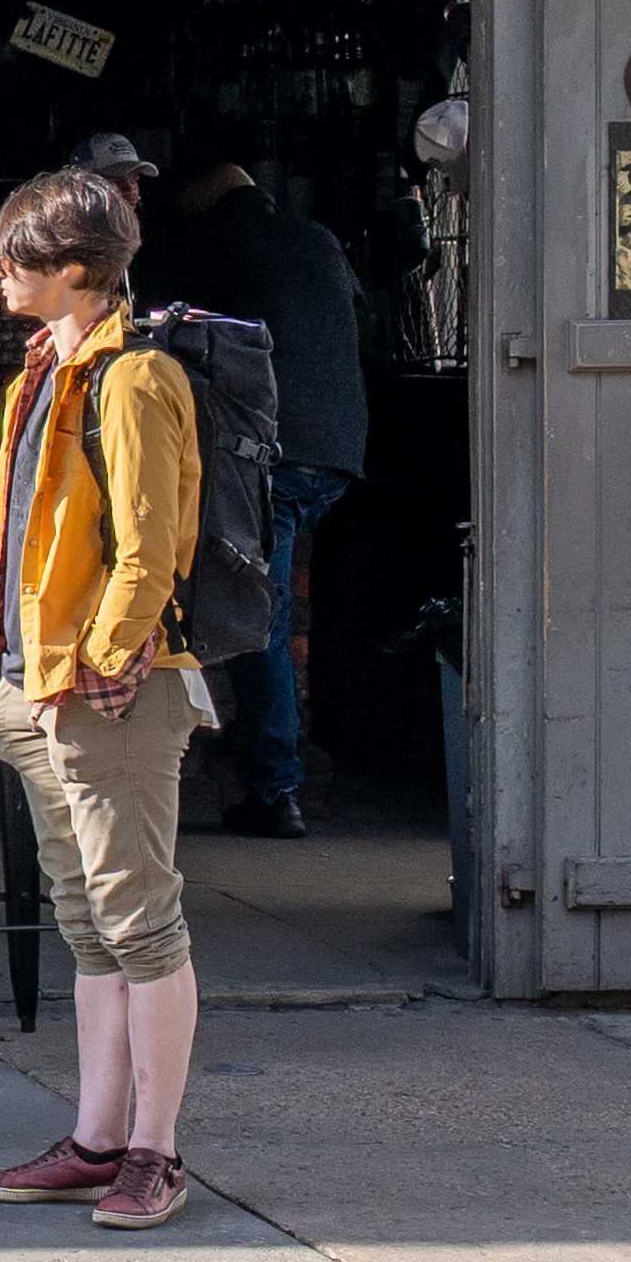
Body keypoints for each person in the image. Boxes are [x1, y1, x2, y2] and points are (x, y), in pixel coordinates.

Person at [0, 166, 213, 1233]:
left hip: (107, 691)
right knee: (87, 925)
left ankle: (154, 1152)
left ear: (71, 270)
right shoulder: (41, 373)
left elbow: (151, 547)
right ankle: (96, 1136)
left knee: (138, 921)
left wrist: (102, 663)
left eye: (13, 256)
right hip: (35, 684)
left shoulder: (132, 378)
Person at [142, 142, 369, 837]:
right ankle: (276, 768)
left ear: (196, 200)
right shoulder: (316, 240)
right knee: (276, 603)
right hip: (337, 452)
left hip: (269, 453)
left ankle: (276, 789)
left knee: (255, 610)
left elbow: (158, 320)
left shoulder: (215, 241)